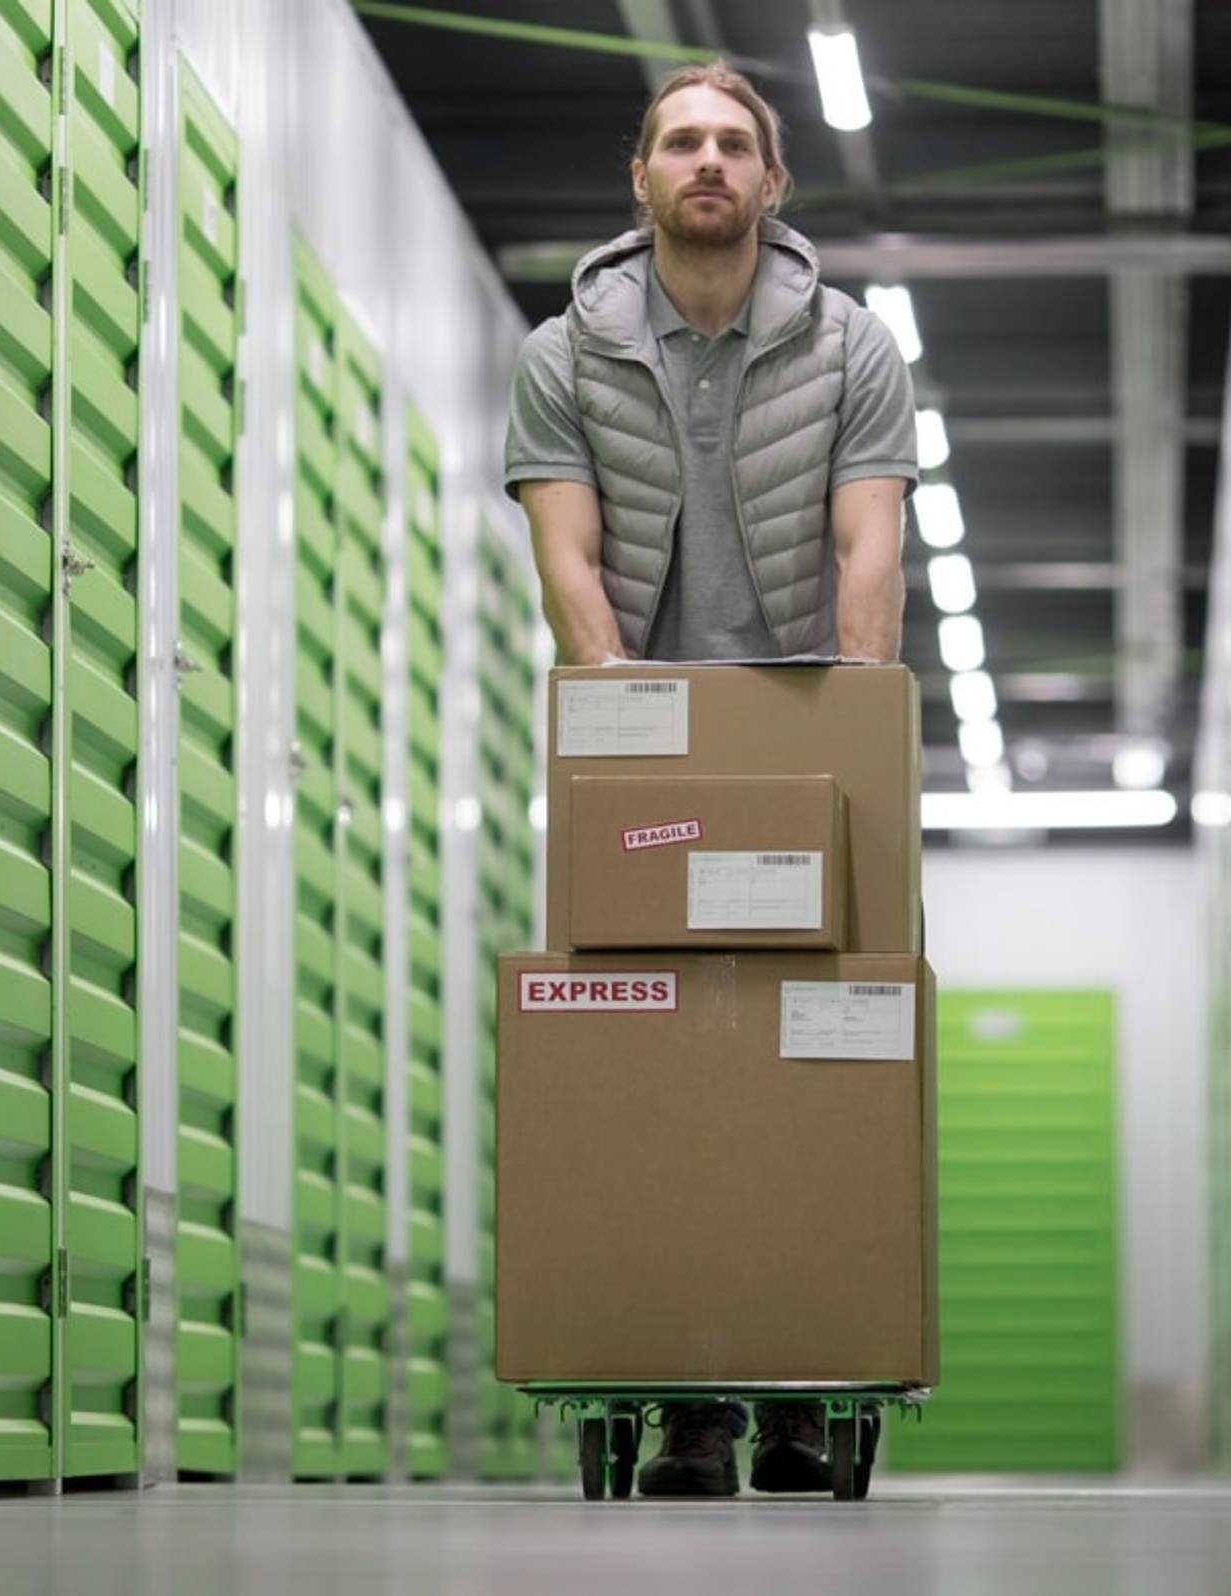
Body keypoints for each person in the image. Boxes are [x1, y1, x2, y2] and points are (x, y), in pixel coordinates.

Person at [503, 61, 918, 1497]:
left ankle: (799, 1390)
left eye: (735, 144)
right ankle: (692, 1400)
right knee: (660, 1062)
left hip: (810, 721)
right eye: (682, 140)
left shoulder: (854, 344)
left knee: (818, 1054)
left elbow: (872, 549)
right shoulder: (567, 351)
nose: (708, 162)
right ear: (641, 177)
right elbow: (565, 553)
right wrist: (624, 721)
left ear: (773, 184)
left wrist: (858, 737)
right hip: (650, 737)